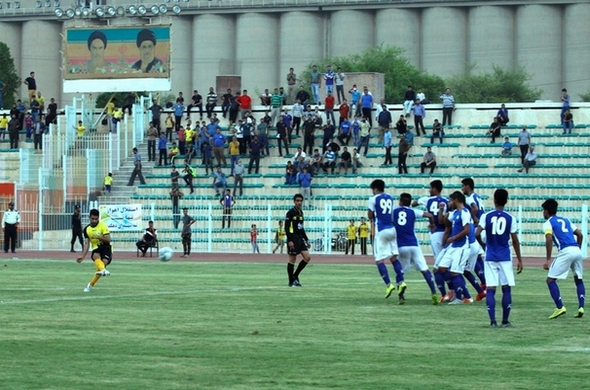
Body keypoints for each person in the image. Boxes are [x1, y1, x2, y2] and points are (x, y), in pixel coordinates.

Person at [475, 189, 523, 328]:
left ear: (494, 200)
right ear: (506, 200)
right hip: (505, 257)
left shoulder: (486, 216)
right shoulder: (510, 218)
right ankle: (505, 321)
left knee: (491, 288)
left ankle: (492, 322)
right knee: (506, 288)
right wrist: (520, 259)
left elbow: (477, 233)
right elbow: (514, 240)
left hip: (490, 256)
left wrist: (484, 244)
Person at [541, 198, 585, 319]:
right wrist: (578, 249)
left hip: (566, 251)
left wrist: (548, 259)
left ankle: (560, 307)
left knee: (550, 280)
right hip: (576, 249)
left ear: (546, 211)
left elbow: (549, 239)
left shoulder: (548, 223)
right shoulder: (566, 220)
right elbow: (580, 235)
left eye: (543, 211)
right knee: (578, 279)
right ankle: (581, 307)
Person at [393, 193, 438, 305]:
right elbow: (430, 215)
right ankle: (434, 293)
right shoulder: (413, 211)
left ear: (400, 202)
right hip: (413, 244)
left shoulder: (394, 211)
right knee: (424, 269)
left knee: (400, 271)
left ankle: (401, 297)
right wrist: (432, 225)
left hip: (401, 245)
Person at [368, 179, 406, 301]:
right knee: (394, 257)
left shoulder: (373, 199)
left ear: (375, 189)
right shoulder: (390, 197)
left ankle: (389, 285)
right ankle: (401, 281)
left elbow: (370, 214)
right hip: (392, 229)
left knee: (379, 260)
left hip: (381, 231)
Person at [435, 191, 473, 304]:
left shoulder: (465, 212)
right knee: (441, 268)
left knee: (455, 272)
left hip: (461, 247)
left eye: (451, 200)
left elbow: (467, 230)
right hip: (453, 246)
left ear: (456, 200)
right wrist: (442, 210)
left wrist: (454, 237)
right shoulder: (455, 213)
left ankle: (459, 298)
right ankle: (453, 290)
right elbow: (441, 221)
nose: (449, 202)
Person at [76, 209, 112, 293]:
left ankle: (90, 284)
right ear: (89, 218)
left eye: (96, 219)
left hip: (106, 247)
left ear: (98, 218)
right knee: (96, 256)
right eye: (93, 219)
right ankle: (103, 270)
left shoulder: (103, 226)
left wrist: (98, 237)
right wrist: (82, 256)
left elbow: (108, 239)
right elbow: (87, 244)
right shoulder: (86, 230)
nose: (94, 221)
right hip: (96, 248)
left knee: (103, 264)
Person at [413, 179, 449, 261]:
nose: (429, 190)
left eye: (430, 188)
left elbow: (413, 204)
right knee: (445, 258)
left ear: (434, 189)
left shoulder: (427, 199)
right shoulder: (446, 201)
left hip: (435, 231)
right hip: (446, 232)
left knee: (439, 261)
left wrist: (420, 200)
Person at [285, 193, 312, 287]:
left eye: (300, 201)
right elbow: (287, 228)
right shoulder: (290, 213)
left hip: (300, 239)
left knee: (307, 257)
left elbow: (301, 228)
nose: (299, 202)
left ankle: (295, 275)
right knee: (292, 259)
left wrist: (307, 239)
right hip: (293, 238)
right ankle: (290, 281)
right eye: (297, 201)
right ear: (294, 201)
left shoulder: (301, 213)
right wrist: (289, 240)